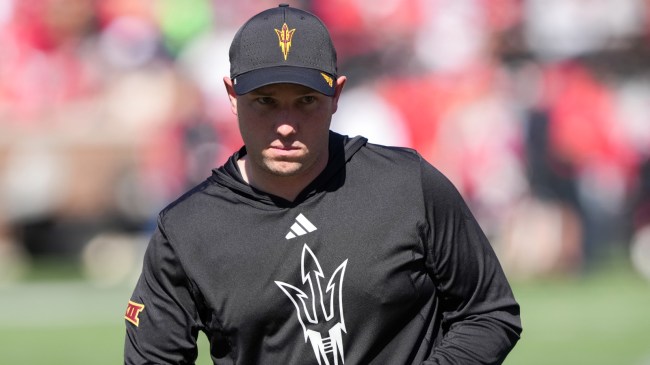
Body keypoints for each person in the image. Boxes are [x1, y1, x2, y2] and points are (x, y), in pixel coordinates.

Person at [124, 4, 522, 364]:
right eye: (265, 101)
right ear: (232, 95)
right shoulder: (187, 230)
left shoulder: (407, 185)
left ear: (336, 94)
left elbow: (488, 313)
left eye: (306, 101)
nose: (285, 125)